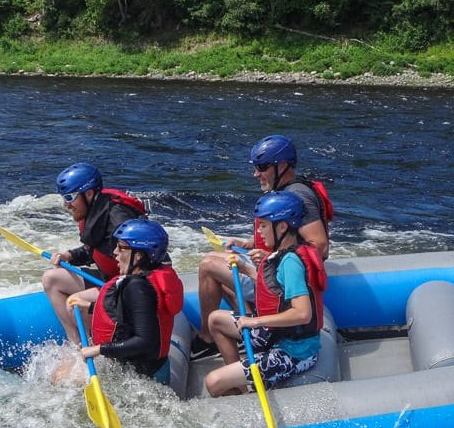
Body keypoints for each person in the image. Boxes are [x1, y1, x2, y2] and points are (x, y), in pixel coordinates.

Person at [191, 134, 333, 360]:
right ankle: (243, 327)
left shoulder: (298, 195)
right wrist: (246, 244)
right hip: (274, 268)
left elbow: (320, 246)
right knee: (217, 260)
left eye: (262, 167)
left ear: (283, 165)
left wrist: (271, 256)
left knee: (209, 265)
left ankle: (209, 338)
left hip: (281, 279)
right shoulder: (286, 191)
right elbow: (288, 239)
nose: (256, 173)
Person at [204, 191, 327, 397]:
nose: (259, 232)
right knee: (215, 319)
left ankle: (238, 390)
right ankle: (243, 386)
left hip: (294, 352)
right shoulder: (285, 254)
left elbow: (302, 314)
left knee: (213, 381)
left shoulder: (291, 262)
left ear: (282, 226)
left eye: (263, 225)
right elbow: (276, 288)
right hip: (278, 335)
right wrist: (245, 269)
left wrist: (256, 322)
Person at [55, 219, 184, 384]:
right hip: (150, 368)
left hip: (142, 378)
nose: (115, 252)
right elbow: (136, 315)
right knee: (61, 373)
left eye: (121, 247)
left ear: (138, 255)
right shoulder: (146, 279)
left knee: (59, 378)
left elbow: (145, 341)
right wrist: (92, 306)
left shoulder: (137, 287)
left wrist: (99, 349)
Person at [43, 162, 146, 345]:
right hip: (109, 280)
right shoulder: (94, 211)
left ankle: (96, 347)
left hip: (128, 288)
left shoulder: (118, 220)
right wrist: (70, 256)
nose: (66, 205)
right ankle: (75, 343)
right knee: (51, 278)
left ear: (89, 193)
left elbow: (141, 263)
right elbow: (96, 250)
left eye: (70, 197)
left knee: (75, 303)